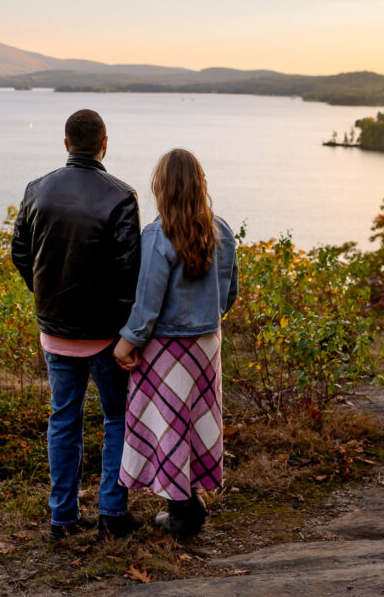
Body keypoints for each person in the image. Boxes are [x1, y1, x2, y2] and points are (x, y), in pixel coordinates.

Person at [11, 109, 143, 541]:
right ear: (105, 143)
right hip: (107, 336)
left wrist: (45, 294)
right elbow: (129, 273)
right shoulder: (122, 196)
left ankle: (62, 518)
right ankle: (111, 513)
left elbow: (21, 255)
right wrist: (128, 333)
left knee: (64, 420)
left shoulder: (36, 190)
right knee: (117, 420)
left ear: (66, 144)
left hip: (56, 332)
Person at [113, 148, 239, 539]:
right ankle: (190, 501)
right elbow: (230, 293)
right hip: (205, 346)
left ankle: (183, 512)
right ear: (201, 185)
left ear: (162, 188)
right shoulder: (222, 231)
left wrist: (127, 341)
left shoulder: (156, 236)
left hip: (166, 347)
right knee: (195, 420)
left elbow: (147, 302)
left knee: (167, 423)